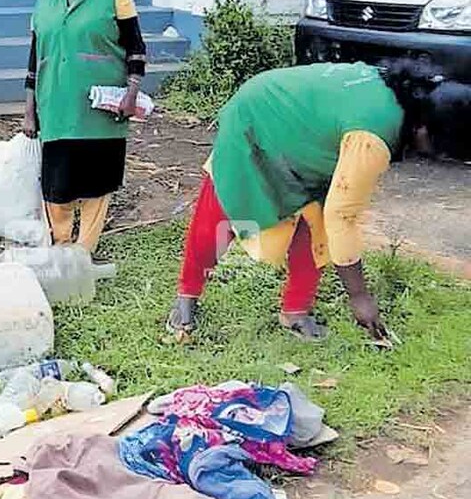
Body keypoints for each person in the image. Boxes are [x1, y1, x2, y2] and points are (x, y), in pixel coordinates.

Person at [167, 60, 469, 341]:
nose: (431, 154)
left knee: (316, 223)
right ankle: (186, 299)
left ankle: (295, 311)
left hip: (303, 134)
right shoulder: (373, 135)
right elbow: (344, 217)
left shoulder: (408, 93)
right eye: (436, 147)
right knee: (221, 212)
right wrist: (359, 297)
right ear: (423, 127)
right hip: (258, 117)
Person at [23, 0, 147, 254]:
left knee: (97, 183)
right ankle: (60, 245)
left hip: (101, 112)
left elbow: (136, 50)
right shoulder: (44, 2)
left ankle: (83, 251)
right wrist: (29, 111)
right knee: (56, 185)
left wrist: (131, 94)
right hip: (55, 107)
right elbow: (33, 61)